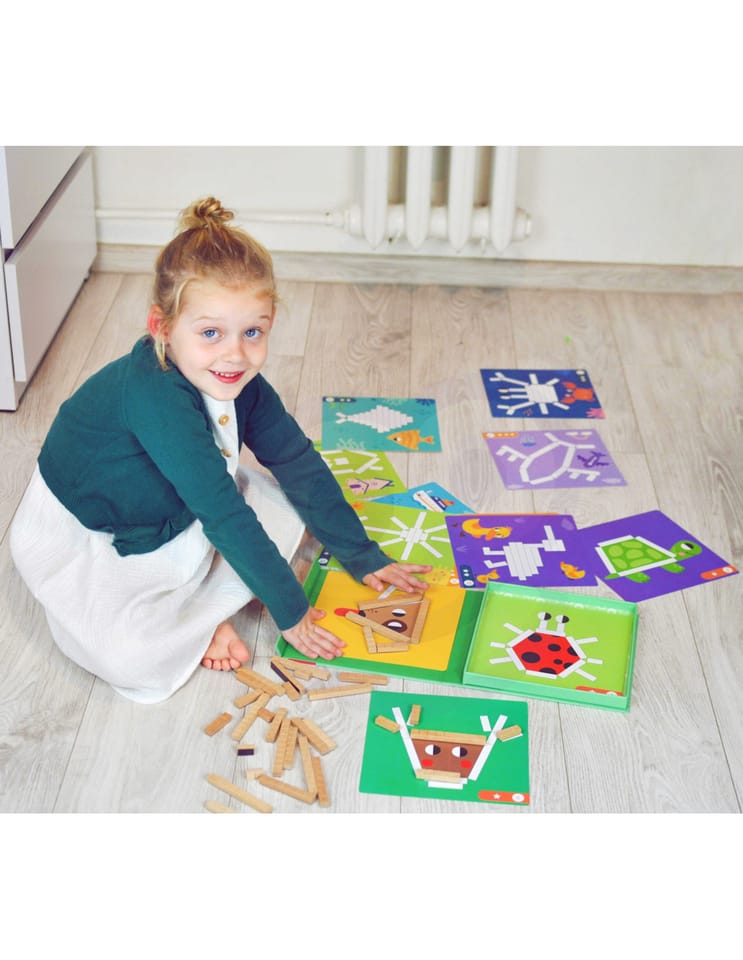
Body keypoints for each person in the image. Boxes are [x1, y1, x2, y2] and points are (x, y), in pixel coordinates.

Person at [10, 197, 430, 704]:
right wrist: (292, 611)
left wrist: (360, 553)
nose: (235, 354)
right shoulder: (156, 396)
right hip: (98, 532)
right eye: (210, 333)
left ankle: (202, 605)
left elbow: (296, 461)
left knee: (289, 513)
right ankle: (203, 622)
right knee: (127, 655)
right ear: (162, 328)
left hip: (184, 500)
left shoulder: (238, 379)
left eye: (253, 332)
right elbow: (223, 513)